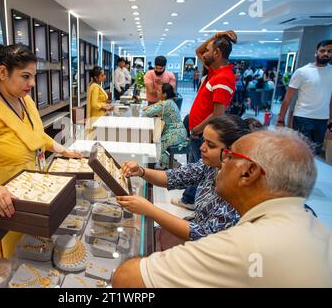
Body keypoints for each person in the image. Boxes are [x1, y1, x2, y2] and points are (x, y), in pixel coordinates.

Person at [112, 128, 332, 288]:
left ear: (248, 173)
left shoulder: (241, 244)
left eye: (229, 157)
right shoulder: (316, 228)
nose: (222, 164)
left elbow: (127, 279)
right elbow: (175, 177)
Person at [0, 43, 82, 280]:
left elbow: (35, 135)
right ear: (3, 73)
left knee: (30, 258)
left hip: (31, 195)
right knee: (9, 266)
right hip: (4, 202)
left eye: (33, 76)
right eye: (25, 76)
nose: (32, 84)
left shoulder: (25, 101)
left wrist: (62, 150)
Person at [119, 115, 256, 250]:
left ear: (230, 152)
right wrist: (141, 171)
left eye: (211, 145)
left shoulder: (238, 193)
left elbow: (203, 235)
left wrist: (150, 210)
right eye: (203, 141)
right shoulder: (210, 166)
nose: (202, 147)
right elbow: (174, 177)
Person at [178, 30, 237, 210]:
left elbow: (218, 114)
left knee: (200, 168)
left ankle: (193, 201)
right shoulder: (214, 72)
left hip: (204, 133)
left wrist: (197, 129)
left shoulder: (224, 78)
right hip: (198, 131)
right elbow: (198, 51)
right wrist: (215, 36)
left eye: (209, 49)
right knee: (194, 165)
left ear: (217, 53)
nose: (204, 53)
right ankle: (189, 199)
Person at [277, 39, 332, 155]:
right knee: (300, 152)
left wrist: (330, 118)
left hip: (322, 119)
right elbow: (288, 98)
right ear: (316, 52)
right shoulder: (302, 72)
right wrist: (281, 119)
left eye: (329, 51)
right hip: (303, 117)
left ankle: (307, 173)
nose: (326, 53)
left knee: (315, 153)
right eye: (323, 50)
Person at [142, 83, 189, 167]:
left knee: (157, 149)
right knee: (157, 145)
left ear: (164, 94)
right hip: (179, 133)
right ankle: (171, 164)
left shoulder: (165, 104)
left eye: (159, 91)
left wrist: (149, 107)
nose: (157, 91)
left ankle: (177, 167)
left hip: (175, 134)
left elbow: (148, 113)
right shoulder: (170, 102)